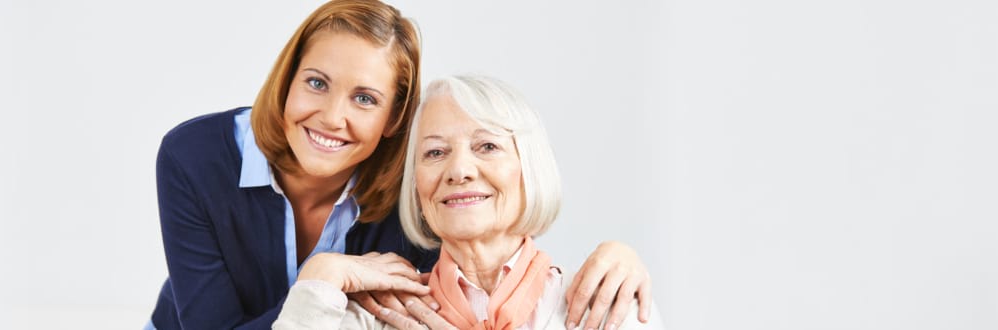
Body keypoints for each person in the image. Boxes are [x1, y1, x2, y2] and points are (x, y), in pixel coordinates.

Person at [149, 2, 656, 328]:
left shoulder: (412, 192)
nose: (332, 117)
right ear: (287, 79)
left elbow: (489, 259)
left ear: (394, 119)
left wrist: (621, 254)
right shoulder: (193, 156)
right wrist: (325, 279)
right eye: (317, 83)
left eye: (365, 98)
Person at [274, 75, 665, 330]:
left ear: (530, 168)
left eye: (487, 146)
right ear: (418, 190)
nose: (458, 169)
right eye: (434, 153)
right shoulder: (373, 317)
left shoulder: (604, 307)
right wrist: (320, 274)